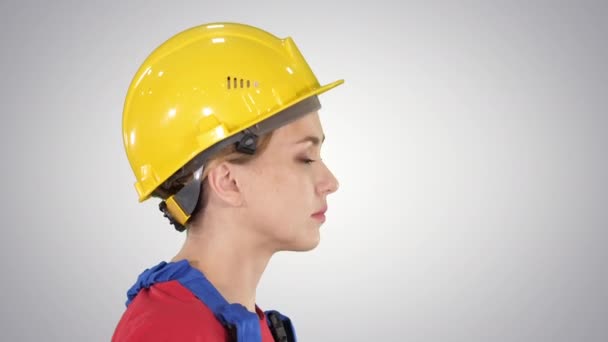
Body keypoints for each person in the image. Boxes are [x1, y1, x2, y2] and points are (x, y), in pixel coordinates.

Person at [111, 22, 344, 341]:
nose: (330, 182)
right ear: (228, 181)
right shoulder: (168, 328)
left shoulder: (234, 321)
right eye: (305, 158)